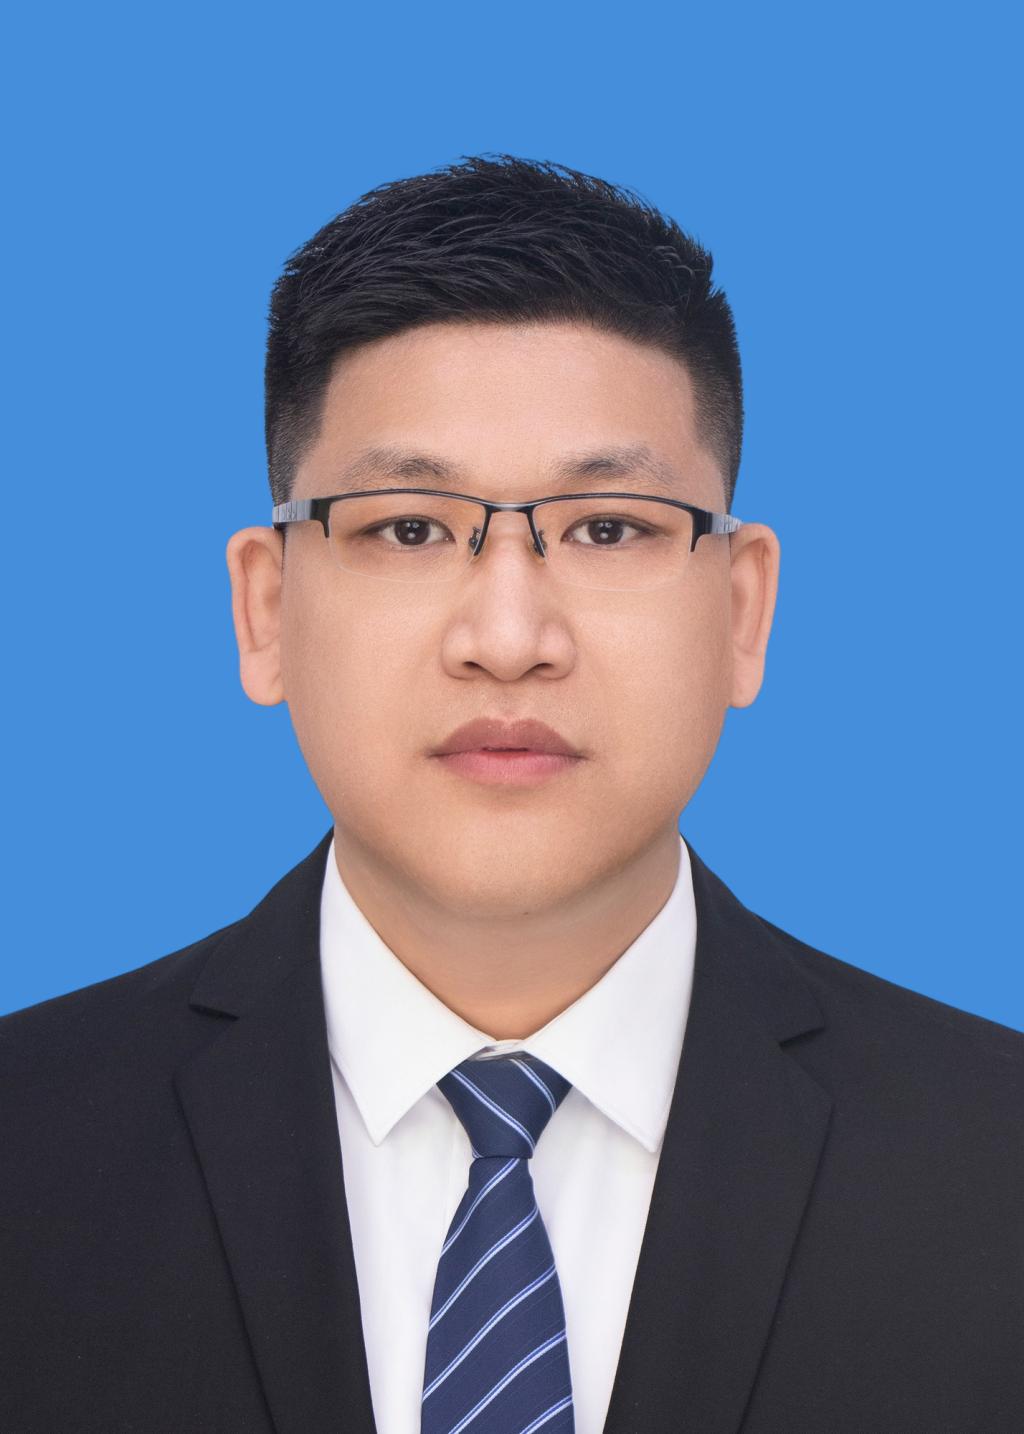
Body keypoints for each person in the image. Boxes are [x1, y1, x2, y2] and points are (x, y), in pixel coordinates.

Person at [1, 154, 1021, 1434]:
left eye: (608, 528)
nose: (506, 637)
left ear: (741, 611)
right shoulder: (26, 1145)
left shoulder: (995, 1162)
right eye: (408, 528)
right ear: (265, 609)